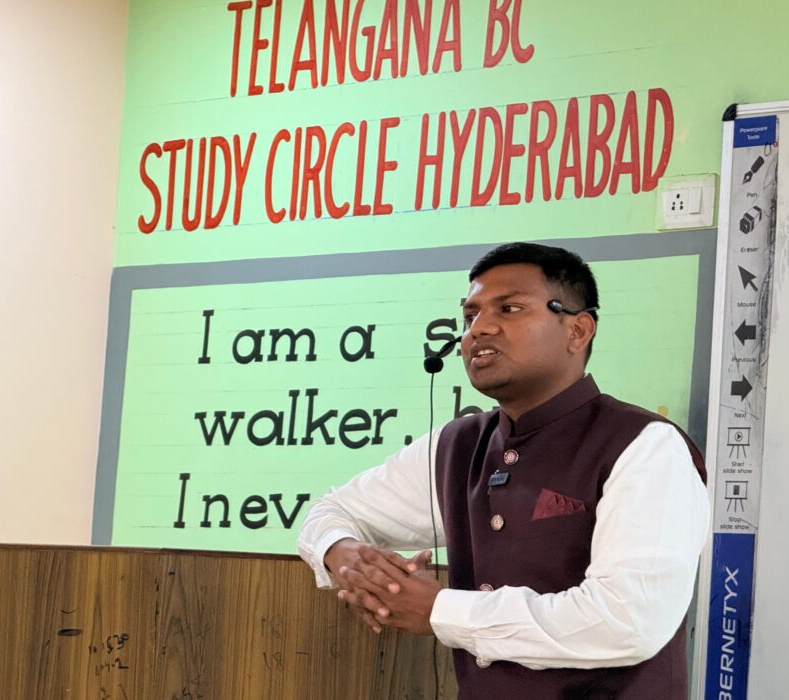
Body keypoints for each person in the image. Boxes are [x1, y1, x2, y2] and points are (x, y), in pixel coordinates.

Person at [298, 242, 709, 699]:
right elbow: (330, 512)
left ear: (578, 330)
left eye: (509, 309)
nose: (480, 328)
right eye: (469, 315)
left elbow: (629, 621)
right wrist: (347, 558)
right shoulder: (457, 445)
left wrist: (441, 610)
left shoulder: (645, 445)